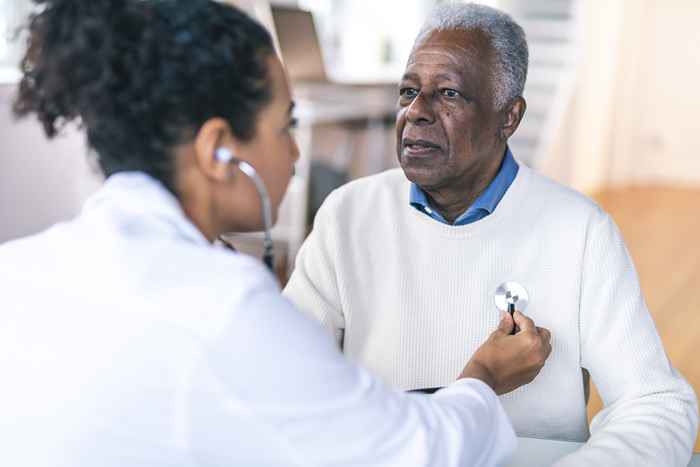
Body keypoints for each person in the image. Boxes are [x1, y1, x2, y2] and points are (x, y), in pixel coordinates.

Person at [0, 1, 553, 466]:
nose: (293, 152)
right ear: (219, 149)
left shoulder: (18, 269)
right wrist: (481, 377)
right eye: (286, 125)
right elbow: (408, 452)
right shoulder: (223, 309)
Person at [283, 3, 699, 466]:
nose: (416, 113)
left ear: (509, 117)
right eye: (408, 91)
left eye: (449, 94)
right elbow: (282, 377)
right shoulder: (348, 214)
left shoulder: (580, 230)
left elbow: (656, 402)